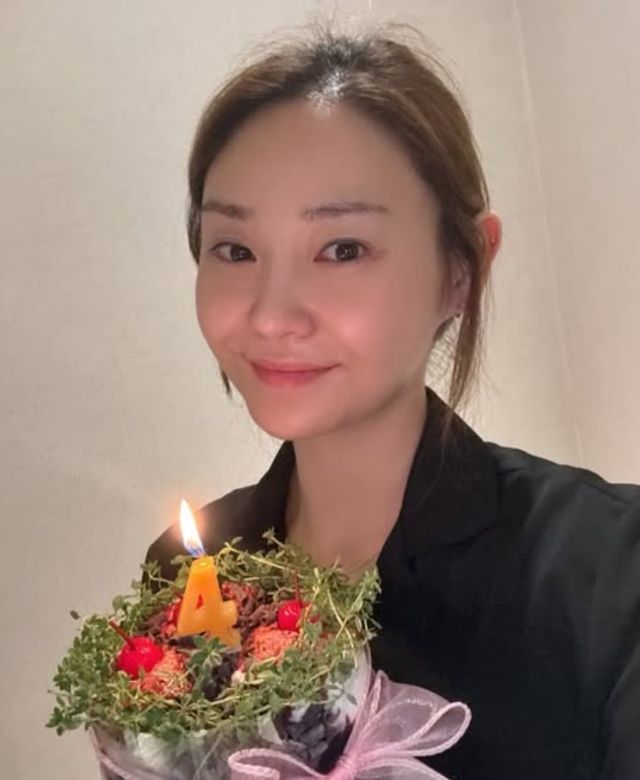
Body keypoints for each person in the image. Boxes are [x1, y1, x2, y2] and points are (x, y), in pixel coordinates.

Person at [145, 25, 640, 780]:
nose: (271, 316)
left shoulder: (611, 573)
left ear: (461, 270)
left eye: (342, 248)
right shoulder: (189, 571)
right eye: (235, 250)